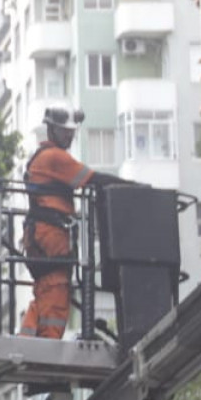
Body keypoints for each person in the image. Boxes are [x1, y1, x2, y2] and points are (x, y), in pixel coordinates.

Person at [19, 105, 125, 341]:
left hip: (41, 235)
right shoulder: (54, 157)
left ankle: (28, 339)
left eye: (72, 132)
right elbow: (93, 179)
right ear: (51, 130)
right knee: (55, 287)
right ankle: (46, 343)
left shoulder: (42, 157)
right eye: (64, 131)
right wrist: (131, 185)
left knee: (46, 288)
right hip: (49, 235)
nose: (69, 136)